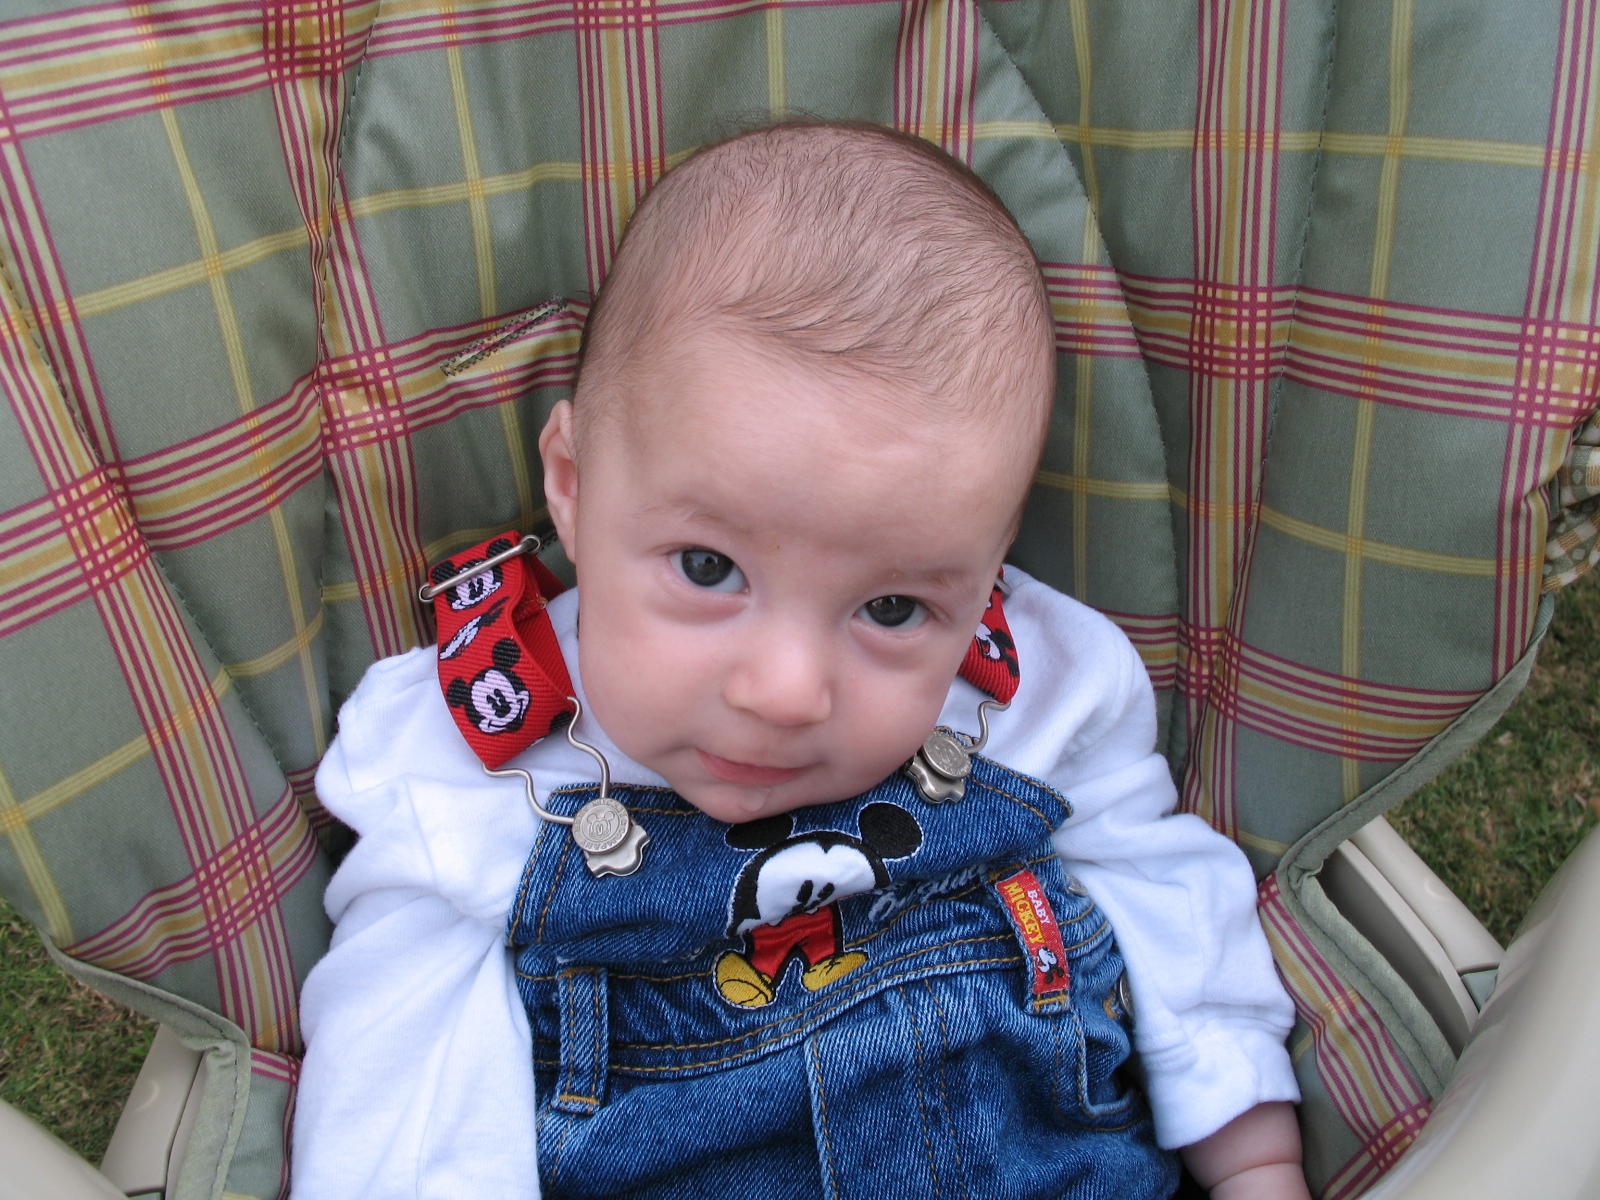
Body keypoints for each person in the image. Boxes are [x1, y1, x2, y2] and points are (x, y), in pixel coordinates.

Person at [292, 120, 1305, 1200]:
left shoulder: (1043, 689)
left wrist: (1252, 1156)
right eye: (707, 568)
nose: (785, 693)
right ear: (575, 488)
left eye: (891, 608)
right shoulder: (471, 755)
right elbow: (399, 1082)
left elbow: (1161, 897)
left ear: (985, 569)